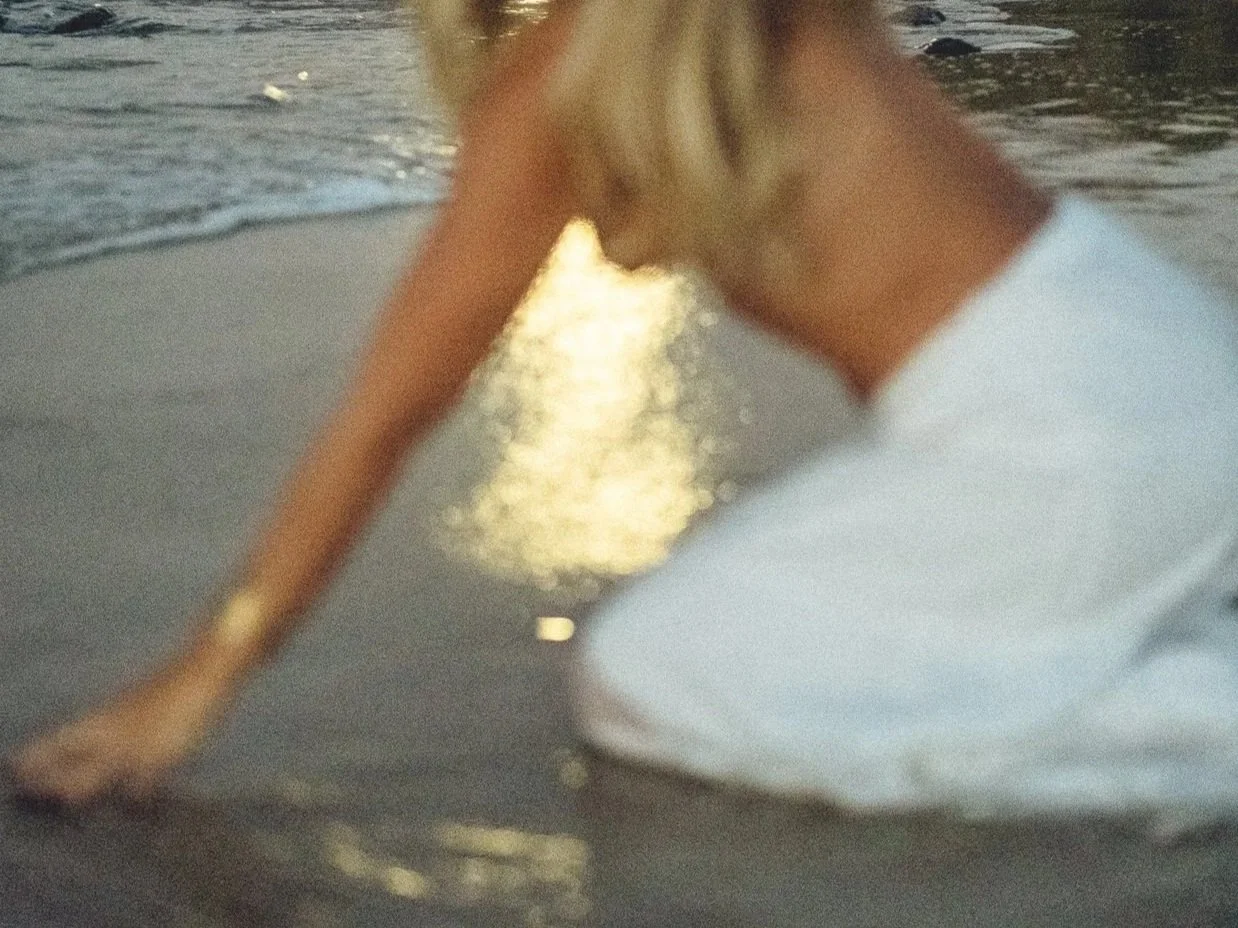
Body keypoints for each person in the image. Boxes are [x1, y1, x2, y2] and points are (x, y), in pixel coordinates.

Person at [13, 0, 1238, 814]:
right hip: (1146, 362)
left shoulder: (574, 74)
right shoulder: (745, 21)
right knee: (764, 596)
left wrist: (207, 669)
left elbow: (388, 411)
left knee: (648, 672)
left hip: (1073, 431)